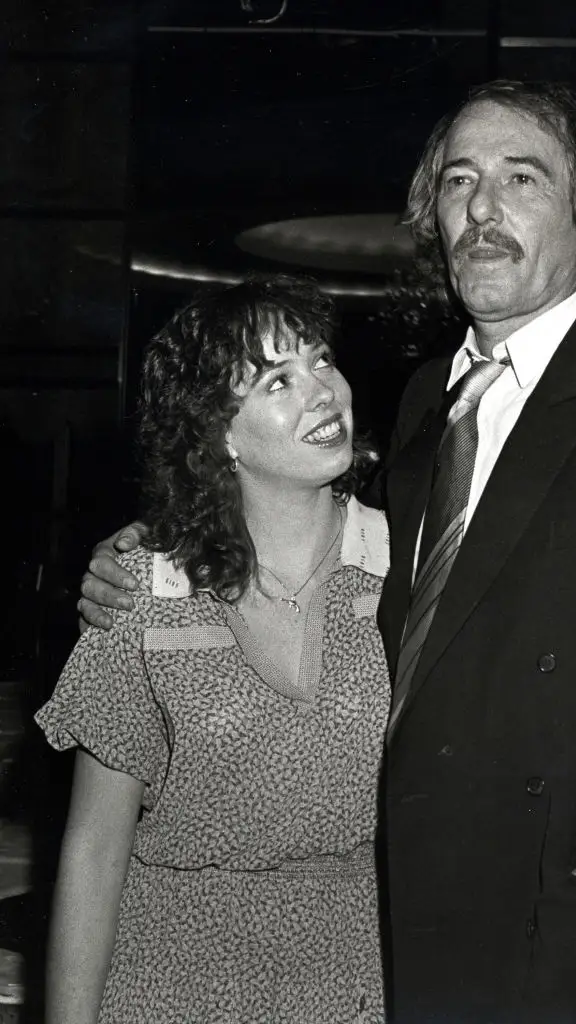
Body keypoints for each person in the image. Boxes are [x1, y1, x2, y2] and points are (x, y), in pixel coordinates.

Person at [78, 81, 576, 1023]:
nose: (483, 207)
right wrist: (150, 547)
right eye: (459, 181)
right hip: (417, 945)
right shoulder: (429, 406)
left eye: (521, 177)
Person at [37, 275, 390, 1024]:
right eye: (277, 380)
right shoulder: (142, 592)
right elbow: (94, 851)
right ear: (219, 434)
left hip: (357, 986)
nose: (321, 391)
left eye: (322, 360)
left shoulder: (408, 569)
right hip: (168, 988)